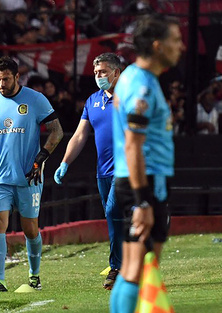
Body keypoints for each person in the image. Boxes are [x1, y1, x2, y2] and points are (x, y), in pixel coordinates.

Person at [0, 56, 63, 292]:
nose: (1, 83)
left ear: (17, 77)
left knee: (30, 228)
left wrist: (41, 159)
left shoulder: (35, 99)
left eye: (6, 79)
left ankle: (34, 275)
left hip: (28, 176)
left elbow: (56, 131)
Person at [109, 15, 184, 313]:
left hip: (134, 179)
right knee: (139, 268)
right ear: (157, 45)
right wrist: (142, 202)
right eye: (175, 40)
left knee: (131, 268)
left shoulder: (132, 77)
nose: (180, 46)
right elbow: (133, 145)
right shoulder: (141, 86)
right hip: (146, 181)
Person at [54, 52, 123, 290]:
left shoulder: (131, 98)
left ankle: (117, 267)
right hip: (103, 172)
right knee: (113, 217)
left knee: (114, 210)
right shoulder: (93, 100)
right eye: (95, 73)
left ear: (116, 72)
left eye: (103, 72)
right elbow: (80, 135)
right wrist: (65, 162)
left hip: (127, 169)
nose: (98, 76)